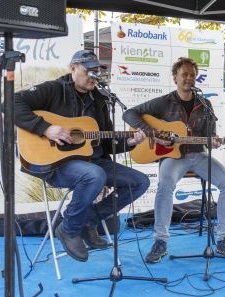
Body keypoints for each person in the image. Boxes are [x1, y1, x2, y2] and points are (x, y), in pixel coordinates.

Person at [14, 50, 150, 262]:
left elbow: (106, 143)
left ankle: (89, 220)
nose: (93, 76)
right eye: (89, 71)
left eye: (97, 72)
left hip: (93, 162)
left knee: (140, 182)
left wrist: (130, 141)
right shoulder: (53, 89)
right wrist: (45, 128)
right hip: (56, 165)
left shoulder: (100, 100)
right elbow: (11, 103)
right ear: (73, 68)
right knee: (94, 175)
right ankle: (68, 229)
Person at [123, 57, 225, 263]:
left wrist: (213, 140)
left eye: (192, 75)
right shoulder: (164, 102)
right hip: (173, 157)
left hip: (199, 155)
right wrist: (152, 133)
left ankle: (224, 239)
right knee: (165, 184)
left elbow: (209, 134)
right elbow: (129, 114)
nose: (188, 78)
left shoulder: (205, 103)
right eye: (184, 74)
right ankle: (160, 241)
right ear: (175, 77)